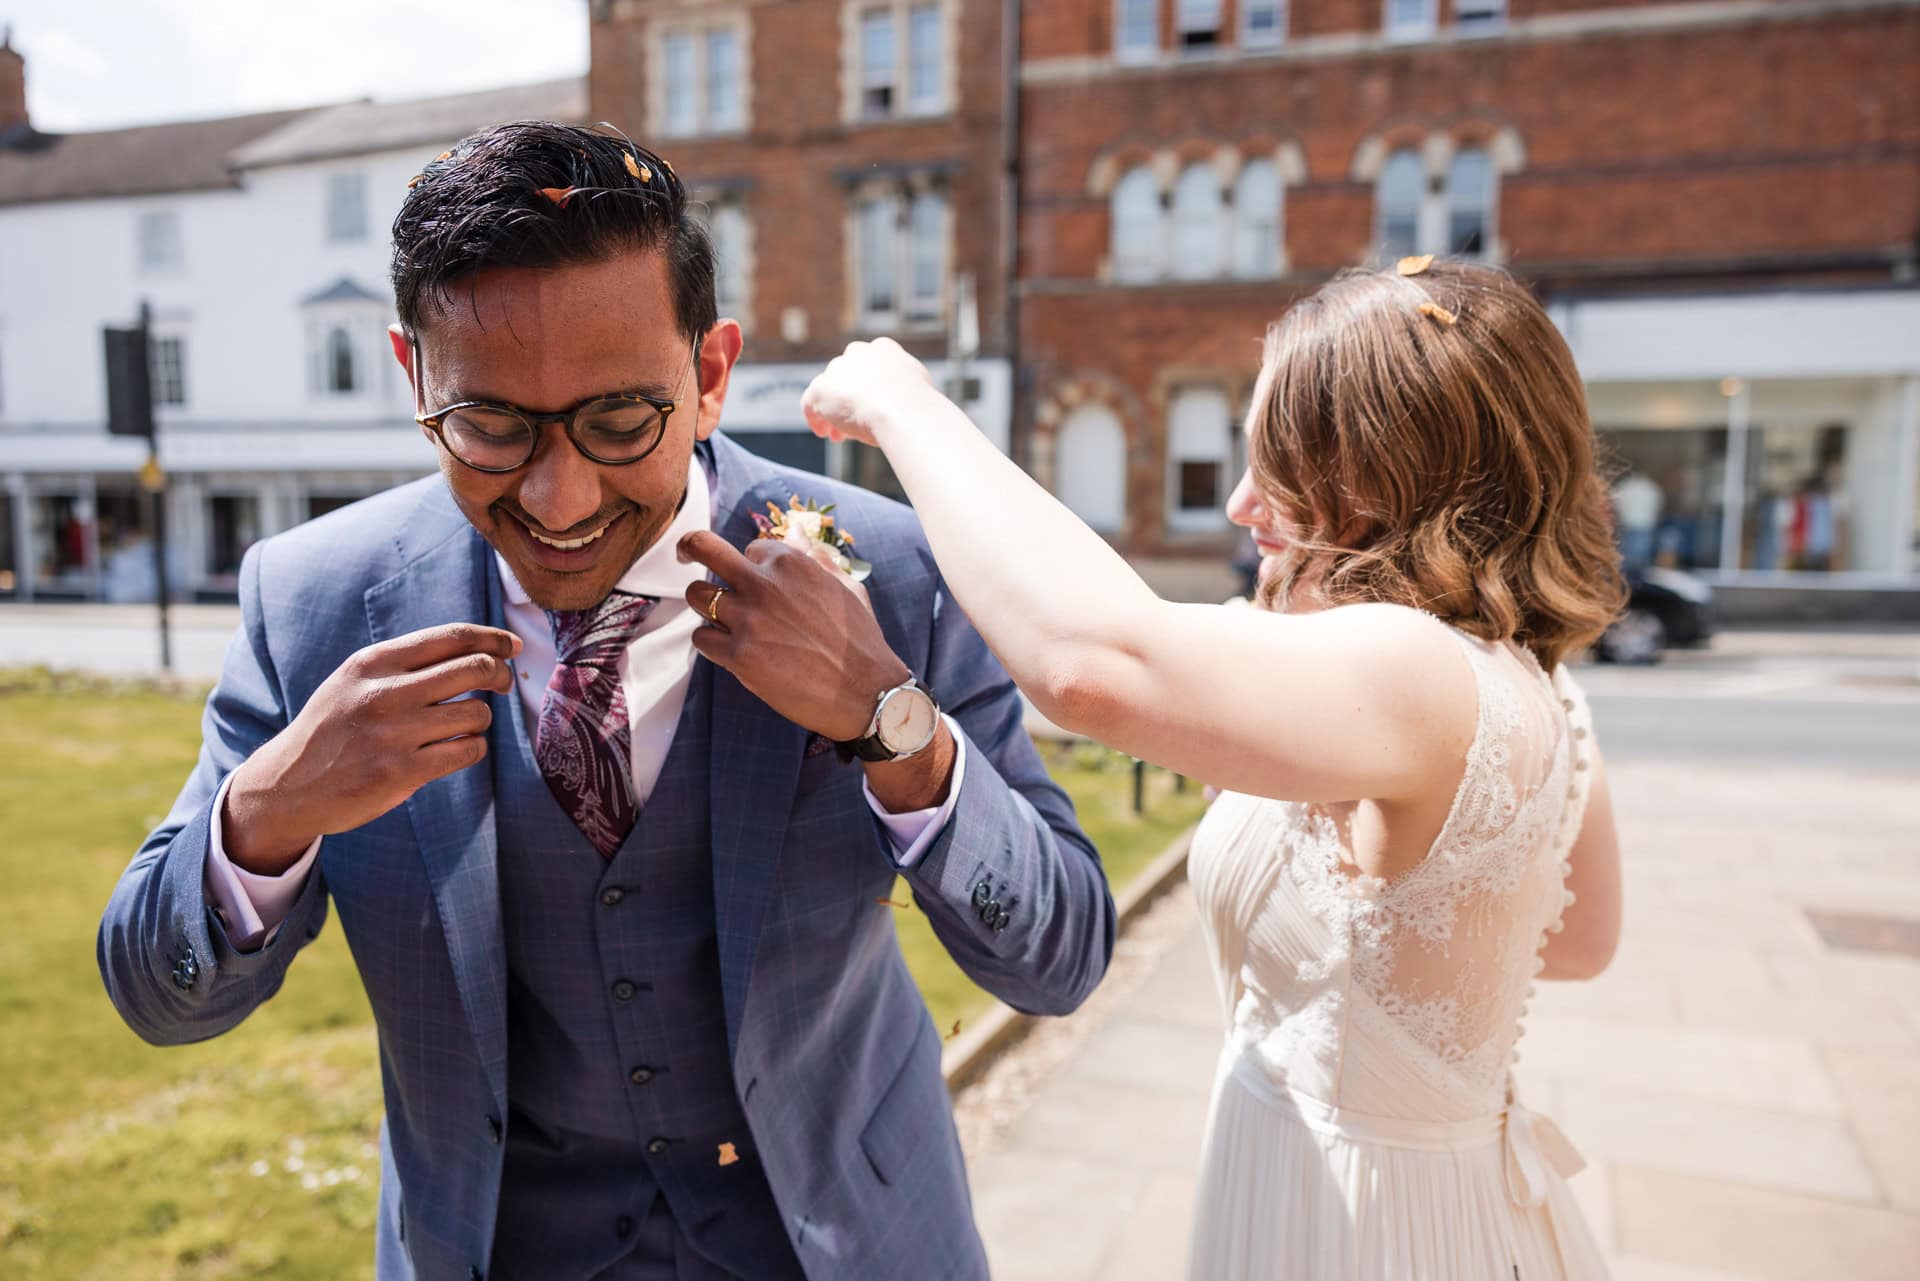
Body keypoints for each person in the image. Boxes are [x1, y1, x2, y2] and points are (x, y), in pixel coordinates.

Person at [97, 122, 1114, 1281]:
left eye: (621, 422)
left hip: (849, 1243)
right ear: (413, 374)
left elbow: (1061, 958)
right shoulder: (316, 601)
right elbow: (156, 996)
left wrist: (896, 725)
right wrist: (270, 808)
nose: (557, 493)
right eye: (489, 426)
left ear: (712, 376)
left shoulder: (898, 570)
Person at [800, 258, 1628, 1281]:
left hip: (1371, 1233)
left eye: (1276, 465)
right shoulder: (1524, 674)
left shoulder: (1417, 673)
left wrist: (906, 405)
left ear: (1383, 474)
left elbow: (1089, 666)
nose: (1240, 504)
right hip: (1425, 1186)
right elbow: (1582, 936)